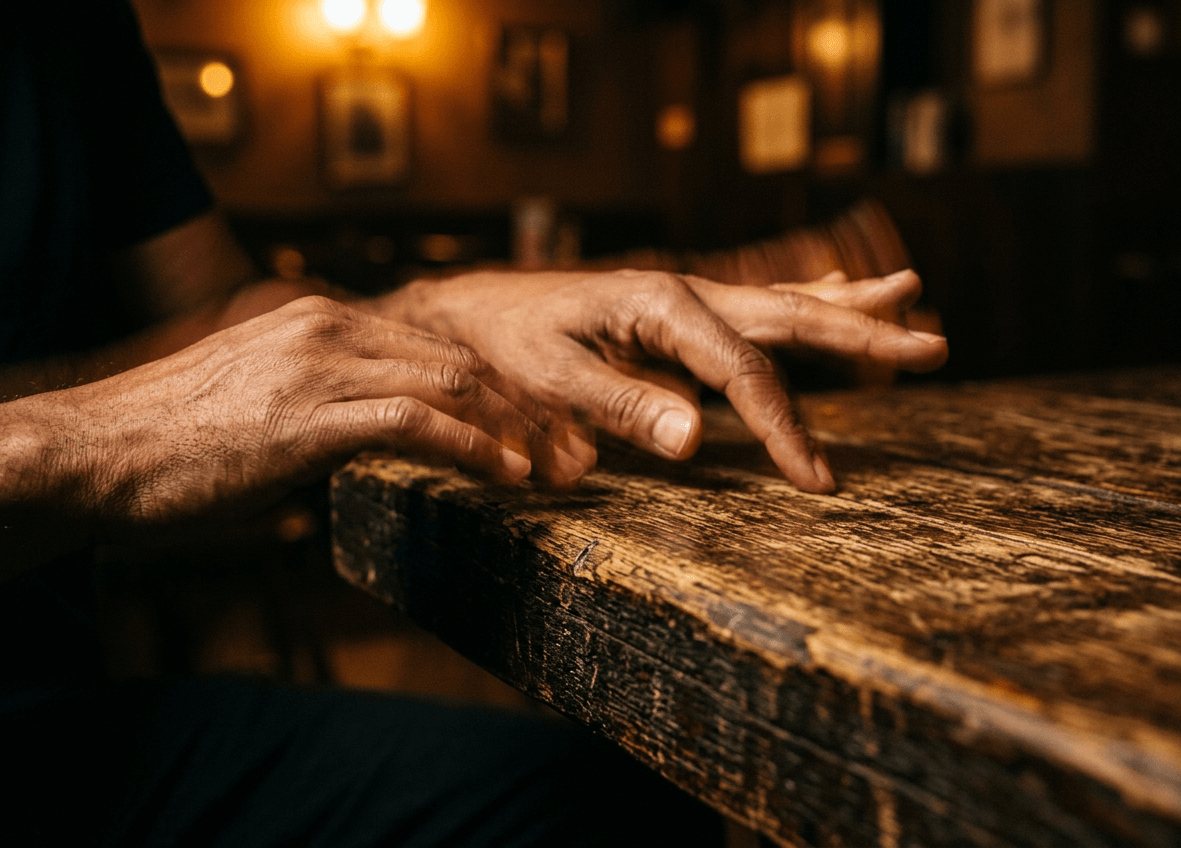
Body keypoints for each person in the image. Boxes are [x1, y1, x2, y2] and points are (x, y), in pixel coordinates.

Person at [0, 1, 948, 845]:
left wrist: (443, 314)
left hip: (65, 733)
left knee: (616, 810)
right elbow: (156, 398)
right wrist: (87, 439)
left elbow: (217, 312)